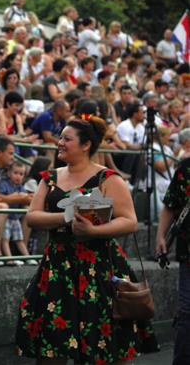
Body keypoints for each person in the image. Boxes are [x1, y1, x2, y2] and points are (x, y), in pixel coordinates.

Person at [16, 115, 159, 363]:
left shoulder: (108, 178)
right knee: (52, 344)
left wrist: (94, 231)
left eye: (67, 139)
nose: (60, 142)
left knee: (101, 344)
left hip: (99, 266)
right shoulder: (49, 177)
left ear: (86, 145)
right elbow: (32, 217)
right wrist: (66, 218)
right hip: (58, 266)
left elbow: (129, 220)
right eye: (60, 137)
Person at [156, 156, 190, 365]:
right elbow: (171, 204)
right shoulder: (186, 168)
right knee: (187, 314)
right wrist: (161, 235)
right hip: (188, 255)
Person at [0, 161, 36, 266]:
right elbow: (1, 197)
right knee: (5, 239)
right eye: (16, 173)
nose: (18, 176)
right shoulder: (4, 184)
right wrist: (16, 196)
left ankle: (27, 257)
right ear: (9, 173)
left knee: (19, 239)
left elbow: (26, 198)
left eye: (21, 174)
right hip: (6, 217)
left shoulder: (21, 187)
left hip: (15, 218)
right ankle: (9, 259)